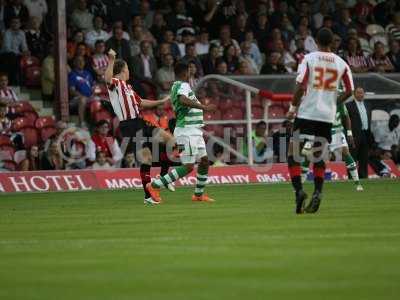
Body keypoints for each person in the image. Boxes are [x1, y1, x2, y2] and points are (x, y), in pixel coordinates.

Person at [286, 27, 354, 214]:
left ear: (316, 41)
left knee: (294, 153)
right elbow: (349, 91)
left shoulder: (309, 59)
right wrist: (333, 101)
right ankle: (317, 191)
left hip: (307, 112)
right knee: (319, 154)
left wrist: (292, 109)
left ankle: (299, 191)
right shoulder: (342, 63)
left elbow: (300, 87)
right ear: (332, 42)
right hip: (326, 116)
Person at [105, 49, 174, 204]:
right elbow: (107, 78)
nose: (129, 71)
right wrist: (111, 60)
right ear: (122, 70)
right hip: (129, 125)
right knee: (146, 159)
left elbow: (141, 102)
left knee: (170, 140)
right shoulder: (115, 83)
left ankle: (163, 177)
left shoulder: (127, 87)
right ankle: (148, 196)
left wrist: (160, 102)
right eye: (127, 68)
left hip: (140, 121)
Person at [147, 62, 217, 203]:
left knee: (204, 161)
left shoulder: (178, 85)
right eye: (190, 71)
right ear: (186, 72)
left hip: (194, 130)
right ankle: (154, 185)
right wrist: (203, 107)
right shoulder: (182, 85)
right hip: (187, 131)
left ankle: (198, 195)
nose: (191, 73)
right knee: (188, 166)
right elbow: (182, 100)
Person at [301, 102, 363, 191]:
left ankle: (358, 183)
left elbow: (346, 117)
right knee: (309, 156)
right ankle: (300, 184)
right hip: (322, 133)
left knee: (345, 153)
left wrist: (349, 133)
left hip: (336, 132)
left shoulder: (339, 102)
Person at [346, 87, 372, 179]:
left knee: (364, 157)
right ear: (354, 94)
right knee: (352, 156)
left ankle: (363, 176)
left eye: (362, 93)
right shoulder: (348, 105)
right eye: (358, 93)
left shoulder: (368, 105)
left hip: (365, 134)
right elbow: (345, 121)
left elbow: (369, 120)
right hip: (354, 135)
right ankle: (351, 177)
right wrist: (349, 134)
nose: (360, 94)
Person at [68, 55, 94, 126]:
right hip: (76, 99)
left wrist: (93, 94)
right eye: (78, 61)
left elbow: (92, 87)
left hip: (89, 97)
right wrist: (82, 96)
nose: (80, 62)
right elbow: (72, 91)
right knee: (83, 99)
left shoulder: (87, 73)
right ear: (74, 63)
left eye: (82, 61)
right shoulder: (72, 74)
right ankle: (82, 122)